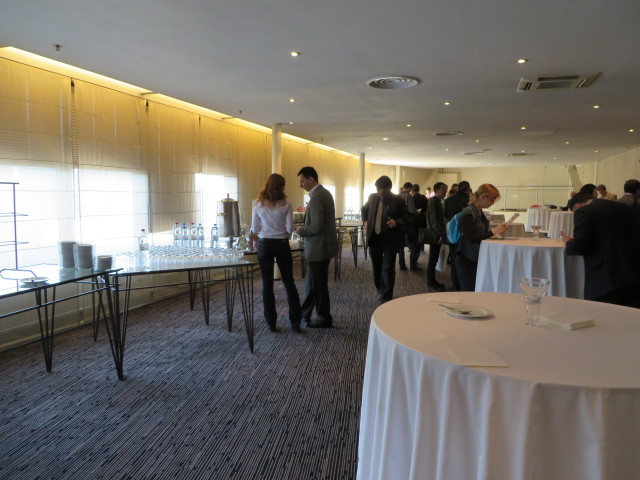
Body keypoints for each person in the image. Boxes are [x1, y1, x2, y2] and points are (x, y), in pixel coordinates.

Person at [561, 193, 640, 308]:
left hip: (607, 279)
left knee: (605, 314)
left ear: (577, 206)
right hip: (634, 272)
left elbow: (579, 246)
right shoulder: (624, 207)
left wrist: (568, 242)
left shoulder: (584, 211)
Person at [252, 173, 302, 332]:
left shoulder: (258, 204)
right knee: (289, 282)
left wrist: (266, 229)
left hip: (265, 244)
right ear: (282, 187)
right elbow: (290, 229)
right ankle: (295, 322)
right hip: (281, 244)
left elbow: (255, 228)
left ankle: (271, 322)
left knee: (267, 284)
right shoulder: (286, 204)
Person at [295, 166, 338, 328]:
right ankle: (305, 312)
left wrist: (300, 230)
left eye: (302, 181)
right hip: (324, 246)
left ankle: (323, 317)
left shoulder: (317, 197)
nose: (301, 185)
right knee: (314, 283)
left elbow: (317, 226)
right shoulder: (324, 193)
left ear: (311, 179)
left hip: (318, 248)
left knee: (319, 285)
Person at [361, 176, 407, 303]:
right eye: (377, 189)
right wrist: (365, 221)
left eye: (380, 189)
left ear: (388, 189)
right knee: (376, 267)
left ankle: (386, 297)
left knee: (388, 268)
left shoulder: (398, 200)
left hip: (390, 239)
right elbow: (364, 209)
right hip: (374, 238)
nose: (378, 191)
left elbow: (406, 217)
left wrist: (396, 222)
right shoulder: (372, 197)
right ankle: (380, 289)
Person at [454, 184, 507, 291]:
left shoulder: (479, 212)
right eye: (491, 199)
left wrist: (495, 231)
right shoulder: (468, 212)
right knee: (468, 292)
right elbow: (470, 237)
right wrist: (493, 232)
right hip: (467, 258)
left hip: (475, 256)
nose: (493, 203)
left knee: (476, 290)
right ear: (483, 197)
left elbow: (480, 234)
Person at [444, 180, 472, 291]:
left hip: (452, 234)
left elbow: (446, 216)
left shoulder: (448, 200)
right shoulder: (469, 201)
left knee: (453, 258)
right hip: (465, 234)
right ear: (468, 189)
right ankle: (463, 285)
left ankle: (454, 284)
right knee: (465, 260)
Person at [425, 182, 448, 291]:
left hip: (436, 233)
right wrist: (439, 235)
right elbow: (435, 220)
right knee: (433, 259)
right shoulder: (434, 201)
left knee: (433, 259)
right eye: (444, 189)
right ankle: (431, 282)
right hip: (435, 234)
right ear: (437, 190)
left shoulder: (436, 200)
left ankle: (432, 281)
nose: (446, 191)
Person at [409, 184, 428, 269]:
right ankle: (415, 261)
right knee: (419, 242)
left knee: (414, 244)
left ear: (412, 190)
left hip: (413, 224)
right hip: (422, 223)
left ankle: (413, 264)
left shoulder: (411, 199)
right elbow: (427, 209)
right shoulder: (423, 198)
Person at [397, 182, 413, 270]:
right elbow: (411, 210)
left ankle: (401, 264)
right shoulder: (408, 196)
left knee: (400, 244)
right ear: (409, 188)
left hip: (397, 223)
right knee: (410, 241)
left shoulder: (396, 196)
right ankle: (411, 264)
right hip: (405, 222)